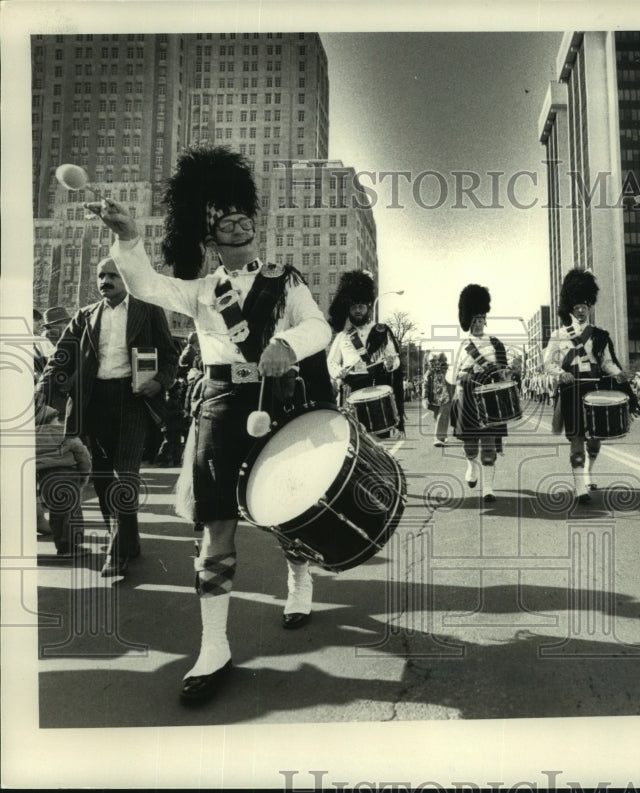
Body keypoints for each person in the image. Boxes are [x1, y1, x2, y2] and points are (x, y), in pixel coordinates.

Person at [86, 145, 334, 704]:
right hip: (220, 405)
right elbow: (146, 284)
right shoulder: (200, 290)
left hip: (277, 398)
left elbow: (319, 327)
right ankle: (214, 644)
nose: (237, 219)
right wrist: (127, 237)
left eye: (242, 210)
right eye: (223, 214)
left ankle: (299, 579)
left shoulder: (286, 279)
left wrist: (285, 343)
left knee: (289, 507)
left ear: (253, 221)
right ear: (211, 234)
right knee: (215, 524)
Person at [35, 258, 178, 579]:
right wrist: (42, 388)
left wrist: (160, 381)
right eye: (101, 276)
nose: (105, 281)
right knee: (103, 480)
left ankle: (116, 553)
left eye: (113, 275)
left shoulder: (149, 311)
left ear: (127, 279)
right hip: (93, 404)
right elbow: (61, 358)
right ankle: (129, 542)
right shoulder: (85, 316)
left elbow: (170, 357)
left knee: (123, 475)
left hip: (133, 402)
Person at [543, 269, 640, 504]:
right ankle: (579, 487)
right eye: (576, 305)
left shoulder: (599, 335)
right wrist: (561, 373)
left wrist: (619, 375)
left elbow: (607, 363)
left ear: (590, 306)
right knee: (577, 439)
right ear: (569, 307)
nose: (580, 309)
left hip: (595, 389)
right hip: (571, 390)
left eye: (585, 305)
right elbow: (548, 363)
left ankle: (588, 470)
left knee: (595, 439)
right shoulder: (558, 335)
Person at [448, 284, 511, 503]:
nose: (478, 324)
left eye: (481, 319)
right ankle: (470, 465)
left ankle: (488, 487)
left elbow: (504, 370)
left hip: (491, 396)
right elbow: (451, 375)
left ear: (486, 320)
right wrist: (464, 376)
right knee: (470, 444)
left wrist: (506, 374)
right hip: (467, 394)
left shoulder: (496, 343)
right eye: (474, 320)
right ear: (468, 322)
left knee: (489, 443)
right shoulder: (462, 345)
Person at [327, 271, 404, 438]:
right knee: (353, 439)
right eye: (354, 307)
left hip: (375, 388)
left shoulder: (381, 331)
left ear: (369, 307)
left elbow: (395, 359)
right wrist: (337, 371)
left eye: (361, 306)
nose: (357, 311)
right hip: (350, 390)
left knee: (376, 440)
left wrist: (391, 363)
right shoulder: (342, 336)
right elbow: (331, 362)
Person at [35, 405, 93, 558]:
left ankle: (61, 546)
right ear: (55, 419)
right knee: (72, 512)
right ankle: (72, 547)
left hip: (46, 479)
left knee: (56, 512)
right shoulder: (66, 433)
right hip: (69, 476)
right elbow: (82, 453)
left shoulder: (31, 438)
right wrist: (85, 474)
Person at [424, 352, 452, 447]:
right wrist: (425, 398)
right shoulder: (429, 373)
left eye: (436, 360)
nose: (434, 363)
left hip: (446, 396)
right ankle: (442, 436)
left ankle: (438, 438)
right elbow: (425, 386)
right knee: (437, 417)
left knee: (442, 416)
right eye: (431, 361)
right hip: (435, 398)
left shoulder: (447, 370)